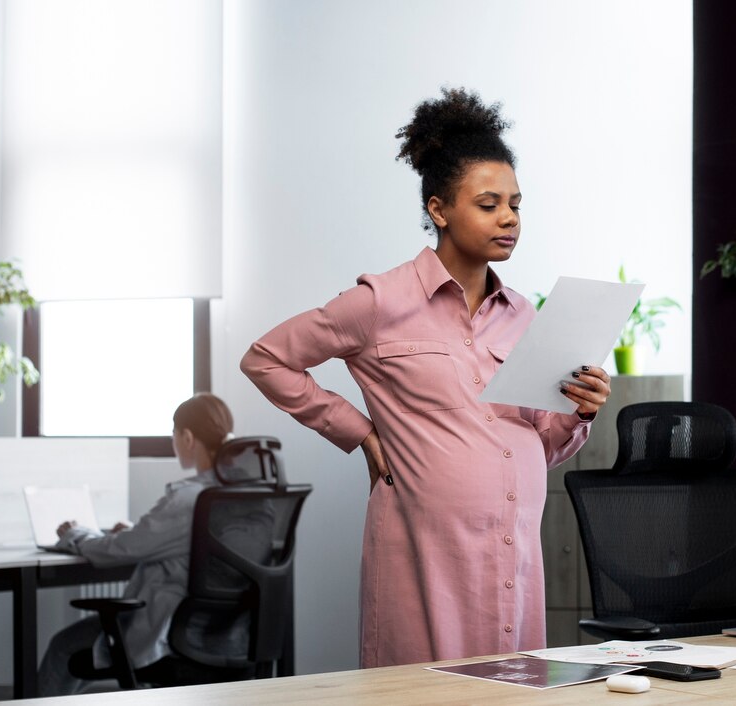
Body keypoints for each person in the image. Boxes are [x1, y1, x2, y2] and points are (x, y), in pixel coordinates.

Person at [240, 87, 611, 668]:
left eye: (516, 203)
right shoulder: (379, 302)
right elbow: (266, 358)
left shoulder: (525, 316)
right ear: (439, 210)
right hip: (426, 563)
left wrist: (580, 412)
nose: (509, 218)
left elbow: (539, 443)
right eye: (489, 204)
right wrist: (359, 432)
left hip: (515, 557)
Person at [37, 393, 234, 696]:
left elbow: (119, 550)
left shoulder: (187, 499)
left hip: (173, 631)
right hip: (228, 632)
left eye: (173, 434)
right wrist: (138, 532)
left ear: (188, 437)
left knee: (62, 648)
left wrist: (76, 534)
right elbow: (187, 543)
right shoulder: (242, 495)